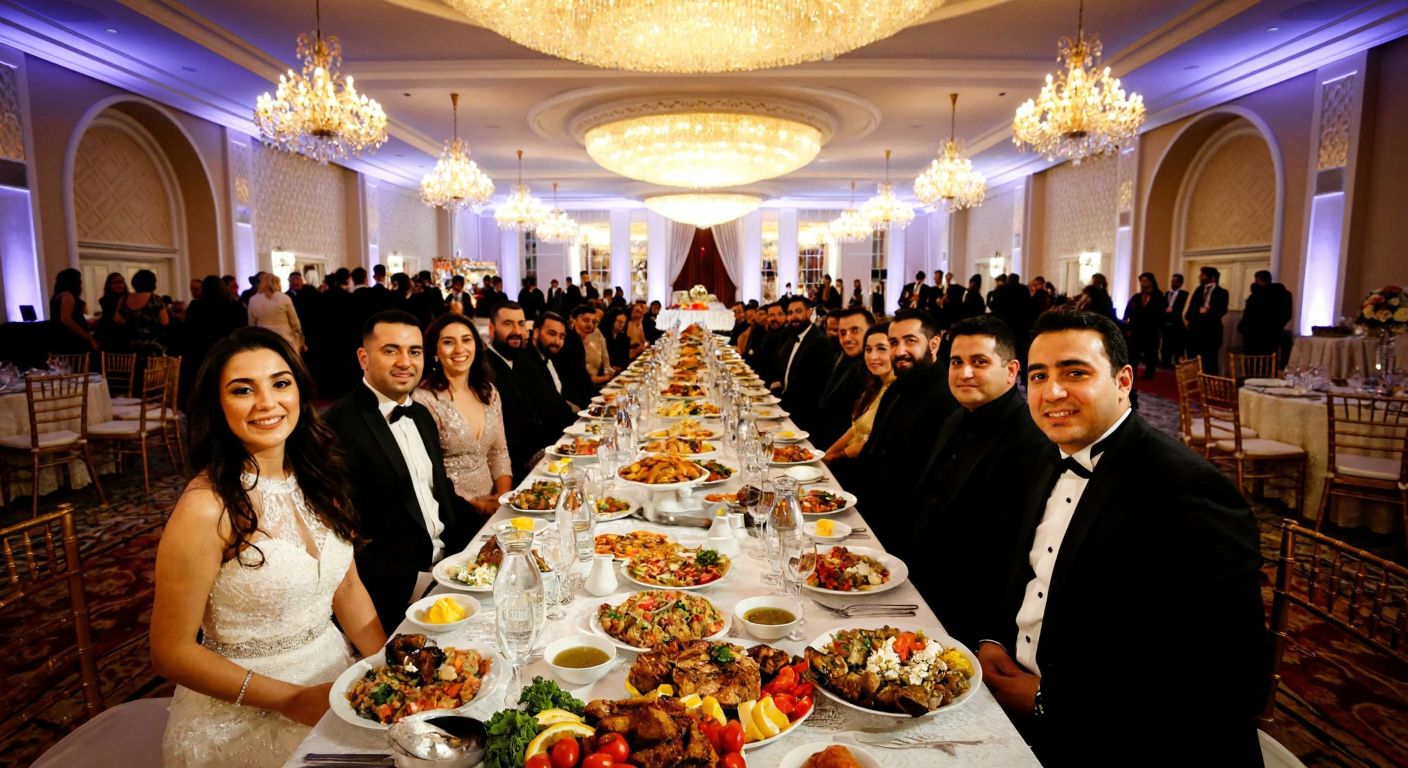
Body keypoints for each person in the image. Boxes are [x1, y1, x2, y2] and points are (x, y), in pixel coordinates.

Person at [976, 310, 1265, 765]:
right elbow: (1028, 570)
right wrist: (994, 638)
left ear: (1123, 380)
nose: (1052, 391)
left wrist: (1047, 700)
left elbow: (1223, 681)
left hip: (1119, 741)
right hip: (1017, 709)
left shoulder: (1188, 491)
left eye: (1075, 372)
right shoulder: (1050, 454)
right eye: (1039, 375)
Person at [152, 328, 385, 767]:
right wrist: (291, 700)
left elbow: (347, 587)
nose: (267, 403)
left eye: (280, 383)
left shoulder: (318, 475)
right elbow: (169, 651)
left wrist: (386, 668)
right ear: (217, 406)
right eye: (243, 390)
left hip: (338, 682)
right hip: (241, 715)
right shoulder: (206, 508)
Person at [322, 311, 478, 632]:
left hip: (449, 568)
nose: (405, 362)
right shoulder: (336, 427)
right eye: (391, 350)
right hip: (393, 595)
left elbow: (440, 494)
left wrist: (494, 529)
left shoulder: (420, 414)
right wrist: (415, 585)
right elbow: (341, 536)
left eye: (415, 351)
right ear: (363, 358)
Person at [903, 316, 1048, 644]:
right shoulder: (954, 419)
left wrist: (989, 636)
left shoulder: (1030, 441)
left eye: (979, 362)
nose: (964, 372)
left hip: (967, 615)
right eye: (956, 362)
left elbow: (1008, 555)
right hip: (920, 588)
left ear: (1011, 372)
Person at [855, 309, 958, 544]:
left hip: (903, 530)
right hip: (870, 515)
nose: (899, 351)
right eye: (893, 342)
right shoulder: (896, 389)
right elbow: (873, 448)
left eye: (910, 341)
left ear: (934, 343)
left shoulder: (948, 398)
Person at [412, 314, 511, 515]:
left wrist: (502, 498)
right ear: (435, 351)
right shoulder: (424, 399)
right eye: (448, 342)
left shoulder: (488, 392)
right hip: (451, 510)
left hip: (495, 505)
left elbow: (499, 452)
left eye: (466, 340)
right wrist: (478, 506)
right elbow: (429, 474)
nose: (459, 349)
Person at [486, 302, 575, 480]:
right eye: (508, 324)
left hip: (545, 455)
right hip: (515, 470)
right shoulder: (484, 368)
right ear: (491, 329)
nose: (517, 331)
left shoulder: (522, 362)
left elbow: (549, 404)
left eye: (521, 324)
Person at [822, 323, 893, 466]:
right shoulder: (874, 384)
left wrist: (834, 457)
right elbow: (855, 429)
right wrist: (825, 455)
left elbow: (869, 444)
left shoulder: (896, 392)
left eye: (881, 349)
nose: (873, 356)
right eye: (868, 349)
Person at [815, 308, 875, 451]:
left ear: (871, 332)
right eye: (842, 332)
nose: (847, 338)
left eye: (855, 330)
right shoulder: (841, 357)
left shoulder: (873, 369)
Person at [776, 296, 833, 432]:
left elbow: (811, 388)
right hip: (787, 409)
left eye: (798, 311)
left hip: (804, 417)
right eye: (790, 313)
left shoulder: (820, 342)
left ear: (809, 312)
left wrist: (779, 398)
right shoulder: (792, 339)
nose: (793, 317)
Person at [1237, 269, 1293, 358]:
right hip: (1273, 333)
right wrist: (1277, 327)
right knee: (1269, 361)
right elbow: (1287, 314)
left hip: (1253, 333)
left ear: (1258, 280)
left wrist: (1243, 328)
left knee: (1253, 361)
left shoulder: (1256, 295)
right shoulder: (1284, 294)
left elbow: (1249, 314)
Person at [114, 268, 169, 357]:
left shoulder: (124, 299)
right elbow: (164, 321)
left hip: (131, 346)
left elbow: (118, 320)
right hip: (152, 346)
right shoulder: (155, 299)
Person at [1122, 272, 1167, 380]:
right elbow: (1128, 311)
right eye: (1141, 281)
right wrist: (1127, 325)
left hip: (1151, 330)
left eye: (1145, 281)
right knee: (1133, 353)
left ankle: (1149, 374)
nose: (1142, 283)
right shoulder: (1137, 297)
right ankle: (1132, 373)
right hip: (1136, 329)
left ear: (1151, 282)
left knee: (1151, 353)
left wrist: (1159, 329)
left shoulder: (1159, 297)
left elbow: (1162, 314)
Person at [1185, 266, 1229, 374]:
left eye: (1203, 275)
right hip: (1195, 330)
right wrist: (1188, 320)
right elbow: (1191, 307)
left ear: (1212, 277)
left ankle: (1210, 384)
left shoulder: (1222, 292)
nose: (1200, 277)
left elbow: (1222, 310)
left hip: (1211, 331)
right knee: (1193, 357)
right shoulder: (1199, 290)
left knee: (1210, 360)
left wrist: (1209, 312)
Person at [248, 272, 305, 353]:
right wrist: (299, 334)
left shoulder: (253, 300)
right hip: (285, 339)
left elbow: (251, 323)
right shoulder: (284, 298)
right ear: (277, 283)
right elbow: (294, 321)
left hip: (263, 340)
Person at [48, 268, 98, 355]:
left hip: (62, 337)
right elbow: (66, 318)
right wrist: (87, 337)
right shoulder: (67, 295)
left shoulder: (57, 297)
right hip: (72, 338)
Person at [528, 311, 572, 404]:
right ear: (536, 332)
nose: (557, 341)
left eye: (562, 336)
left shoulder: (551, 356)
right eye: (552, 334)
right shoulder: (527, 362)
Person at [1159, 273, 1189, 367]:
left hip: (1177, 324)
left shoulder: (1184, 294)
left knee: (1178, 347)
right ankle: (1165, 363)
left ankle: (1177, 364)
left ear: (1180, 283)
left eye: (1176, 282)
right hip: (1166, 324)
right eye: (1172, 281)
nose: (1173, 284)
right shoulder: (1166, 294)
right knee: (1165, 346)